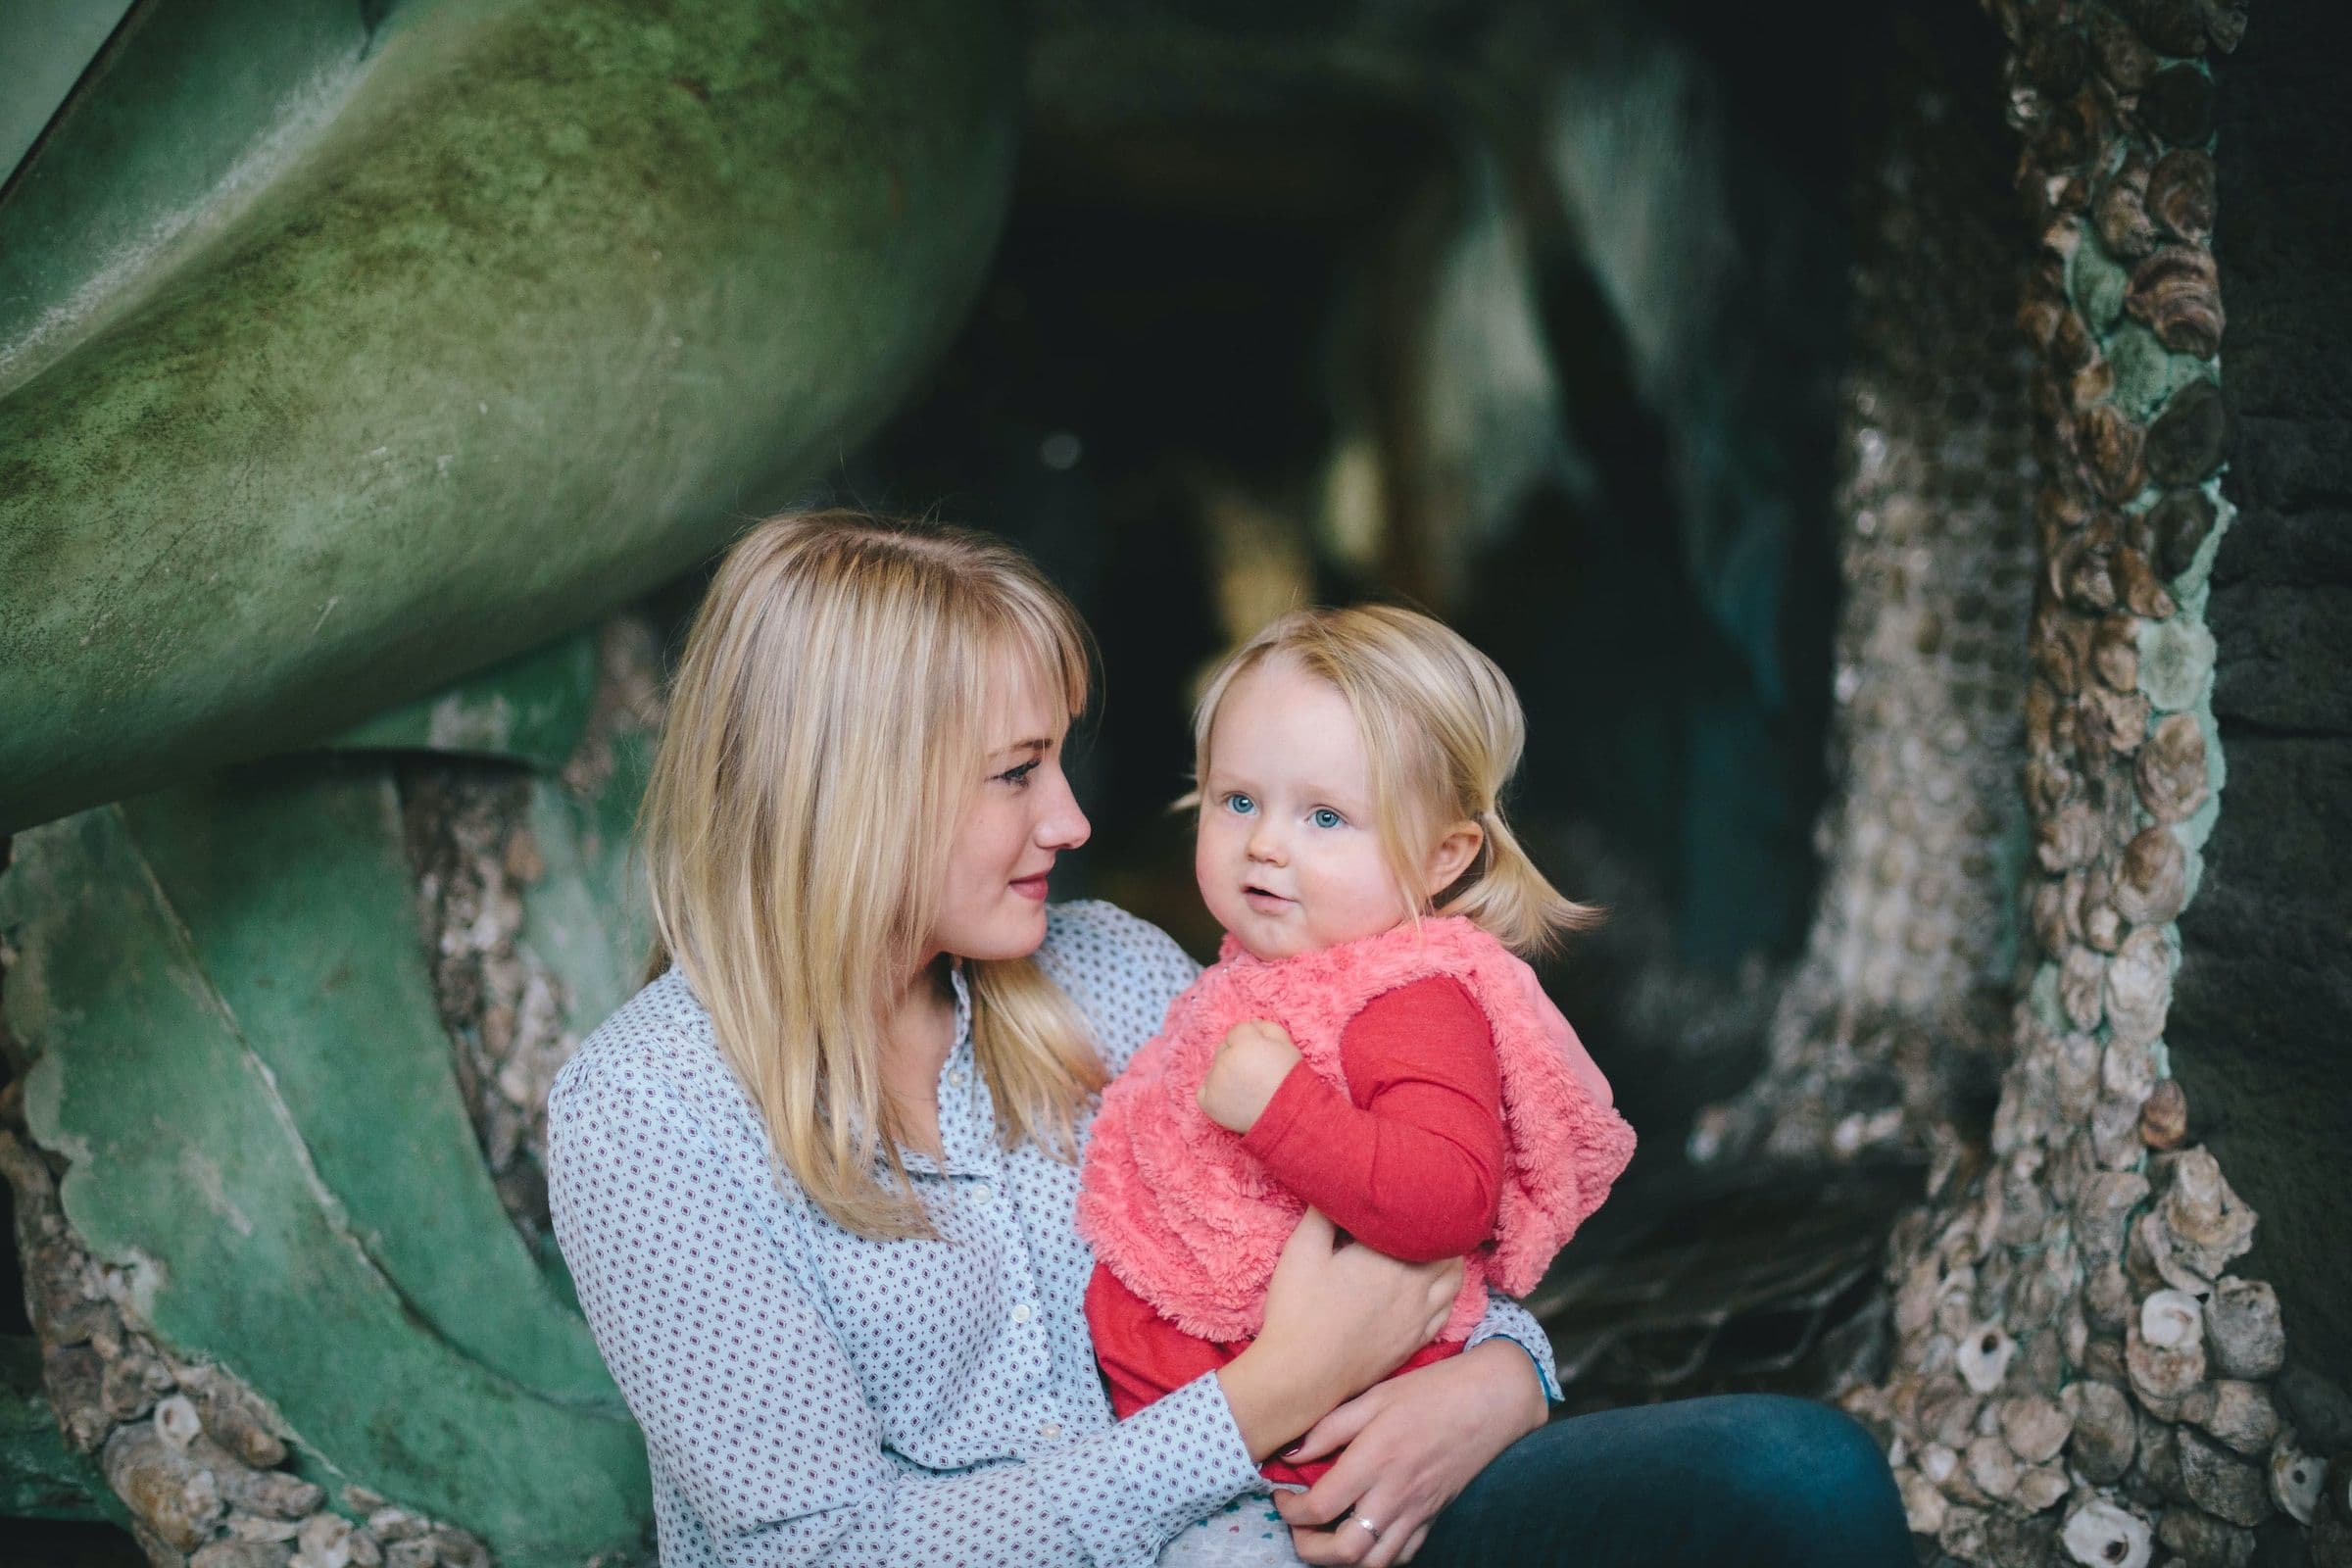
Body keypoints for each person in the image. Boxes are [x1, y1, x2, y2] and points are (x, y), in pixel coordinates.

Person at [546, 510, 1915, 1568]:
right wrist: (1262, 1403)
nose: (1075, 824)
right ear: (855, 795)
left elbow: (1391, 1221)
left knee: (1796, 1478)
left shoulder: (1125, 976)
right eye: (1018, 774)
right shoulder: (649, 1112)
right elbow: (822, 1554)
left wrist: (1502, 1385)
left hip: (1295, 1524)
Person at [1076, 607, 1638, 1567]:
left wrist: (1281, 1109)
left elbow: (1445, 1200)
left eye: (1325, 816)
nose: (1266, 845)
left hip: (1324, 1452)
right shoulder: (1253, 977)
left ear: (1442, 857)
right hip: (1213, 1430)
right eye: (1237, 800)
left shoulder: (1409, 998)